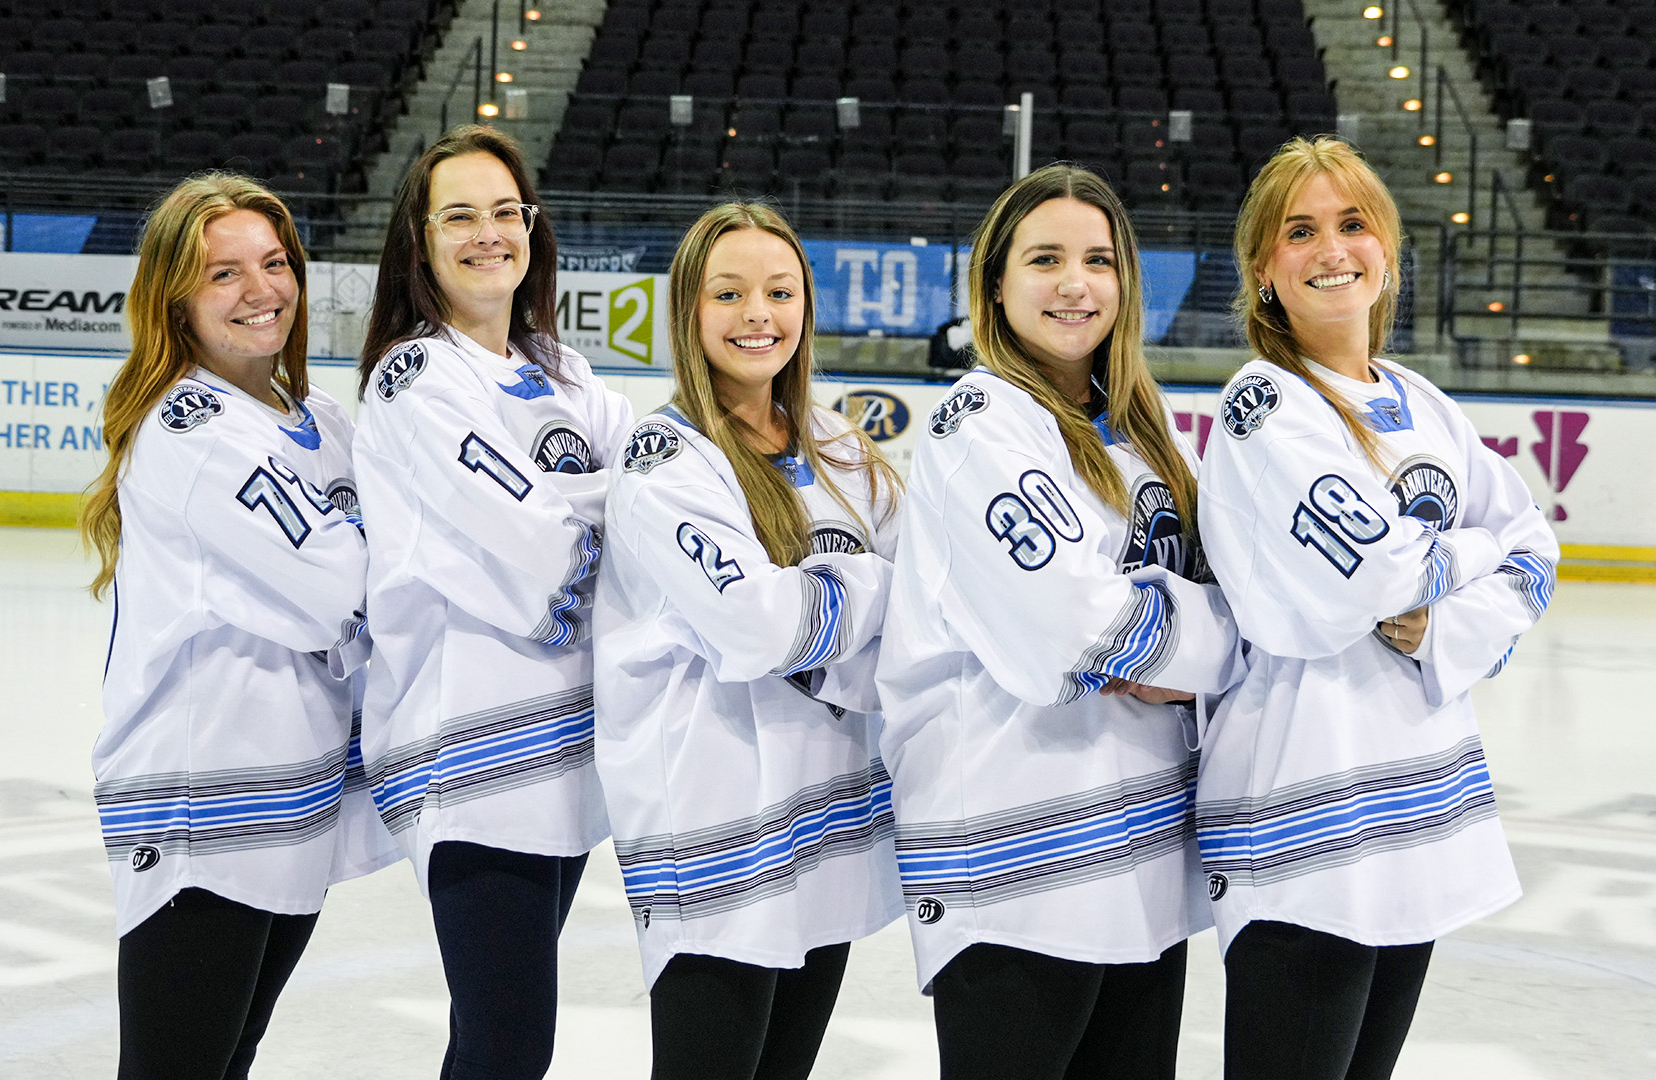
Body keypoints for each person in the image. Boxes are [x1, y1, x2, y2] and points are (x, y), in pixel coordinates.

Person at [1197, 136, 1559, 1080]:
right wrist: (1470, 561)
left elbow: (1537, 548)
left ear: (1387, 250)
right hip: (1304, 795)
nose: (1333, 249)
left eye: (1354, 224)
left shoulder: (1420, 400)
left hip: (1418, 796)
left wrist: (1451, 621)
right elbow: (1379, 575)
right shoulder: (1264, 402)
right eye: (1301, 231)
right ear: (1263, 271)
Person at [876, 164, 1244, 1080]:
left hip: (1144, 851)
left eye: (1099, 260)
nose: (1076, 284)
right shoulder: (980, 421)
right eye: (1045, 259)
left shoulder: (1140, 426)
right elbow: (1081, 626)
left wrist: (1191, 642)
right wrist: (1221, 645)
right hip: (1015, 855)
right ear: (995, 283)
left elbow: (1214, 594)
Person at [79, 173, 395, 1080]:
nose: (263, 291)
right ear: (174, 300)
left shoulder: (317, 419)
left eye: (275, 263)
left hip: (291, 801)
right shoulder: (190, 428)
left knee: (226, 1059)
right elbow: (346, 588)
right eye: (224, 275)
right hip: (201, 804)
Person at [594, 202, 904, 1080]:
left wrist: (835, 608)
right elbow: (759, 626)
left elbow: (930, 608)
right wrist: (871, 588)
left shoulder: (840, 443)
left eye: (779, 291)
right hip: (716, 822)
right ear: (688, 310)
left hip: (828, 814)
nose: (757, 315)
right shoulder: (666, 458)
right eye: (728, 294)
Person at [351, 125, 634, 1080]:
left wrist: (593, 509)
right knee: (512, 1044)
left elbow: (647, 505)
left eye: (505, 212)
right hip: (469, 753)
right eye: (459, 216)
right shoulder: (415, 377)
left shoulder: (564, 370)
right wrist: (593, 508)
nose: (488, 234)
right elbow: (541, 547)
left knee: (493, 1043)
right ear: (420, 241)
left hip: (564, 751)